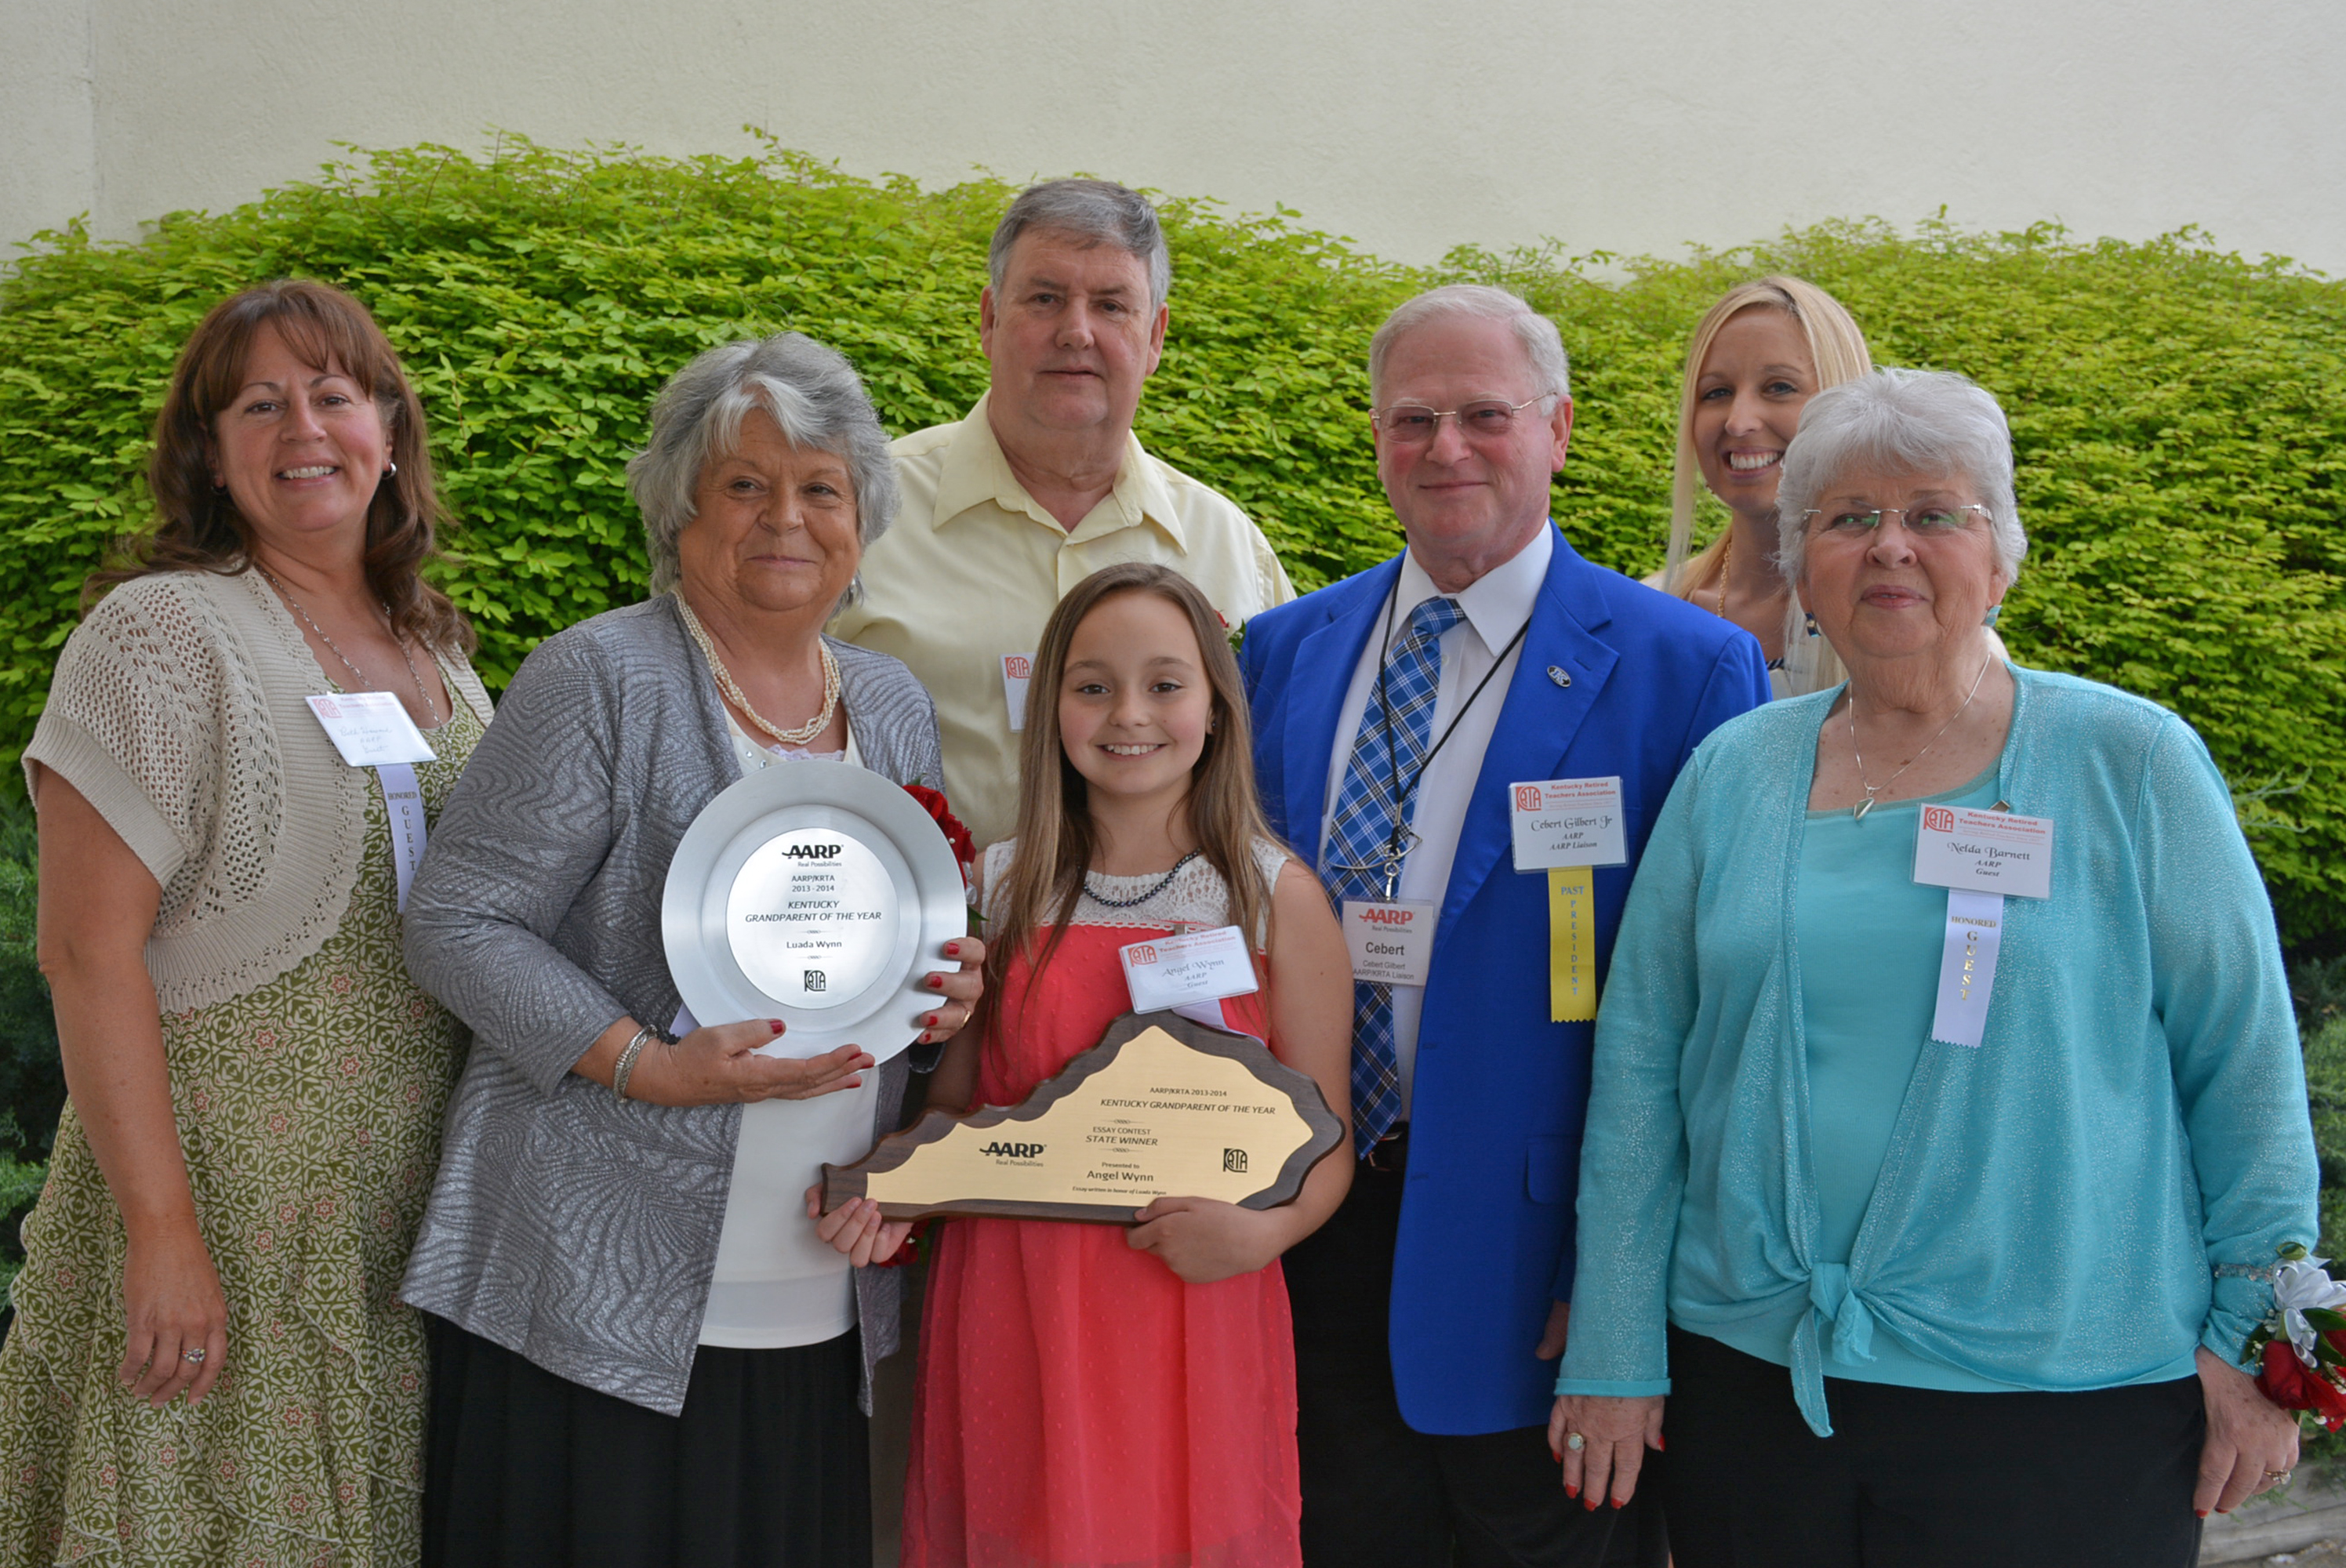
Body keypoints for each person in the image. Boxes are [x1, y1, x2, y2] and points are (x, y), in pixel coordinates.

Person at [1555, 368, 2315, 1568]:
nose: (1890, 547)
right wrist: (1612, 1345)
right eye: (1848, 519)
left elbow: (2246, 1067)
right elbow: (1642, 1075)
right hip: (1755, 1391)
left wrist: (2261, 1350)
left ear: (2000, 554)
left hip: (2069, 1402)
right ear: (1803, 567)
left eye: (1934, 513)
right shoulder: (1731, 773)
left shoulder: (2132, 763)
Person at [395, 332, 986, 1567]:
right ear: (680, 508)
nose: (787, 518)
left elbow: (904, 946)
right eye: (744, 484)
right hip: (592, 1287)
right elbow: (455, 920)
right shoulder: (598, 676)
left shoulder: (886, 706)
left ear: (861, 518)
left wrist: (943, 994)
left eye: (820, 487)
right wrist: (642, 1062)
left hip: (815, 1271)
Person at [1239, 285, 1770, 1566]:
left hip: (1538, 1274)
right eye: (1409, 419)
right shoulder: (1278, 651)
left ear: (1559, 428)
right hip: (1304, 1244)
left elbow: (1712, 1014)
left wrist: (1619, 1291)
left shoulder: (1683, 668)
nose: (1443, 448)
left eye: (1483, 415)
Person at [0, 278, 493, 1566]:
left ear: (388, 428)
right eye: (259, 405)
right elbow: (84, 951)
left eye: (334, 394)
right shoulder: (160, 636)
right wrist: (162, 1232)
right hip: (222, 1207)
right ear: (210, 457)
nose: (303, 429)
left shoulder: (433, 645)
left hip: (396, 1218)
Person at [822, 561, 1353, 1567]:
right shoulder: (1002, 882)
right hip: (1013, 1300)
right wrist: (891, 1191)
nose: (1129, 714)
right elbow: (956, 1102)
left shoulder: (1275, 899)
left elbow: (1326, 1142)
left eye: (1165, 682)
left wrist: (1265, 1233)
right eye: (1093, 683)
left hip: (1190, 1300)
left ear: (1214, 705)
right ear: (1051, 704)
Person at [832, 177, 1295, 851]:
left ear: (1156, 336)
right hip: (923, 948)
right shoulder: (861, 515)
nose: (1076, 333)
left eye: (1111, 305)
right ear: (990, 321)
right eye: (1046, 299)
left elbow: (1276, 780)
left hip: (1164, 951)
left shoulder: (1227, 547)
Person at [1647, 277, 1872, 697]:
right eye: (1716, 392)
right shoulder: (1651, 612)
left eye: (1779, 388)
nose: (1738, 420)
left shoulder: (1908, 615)